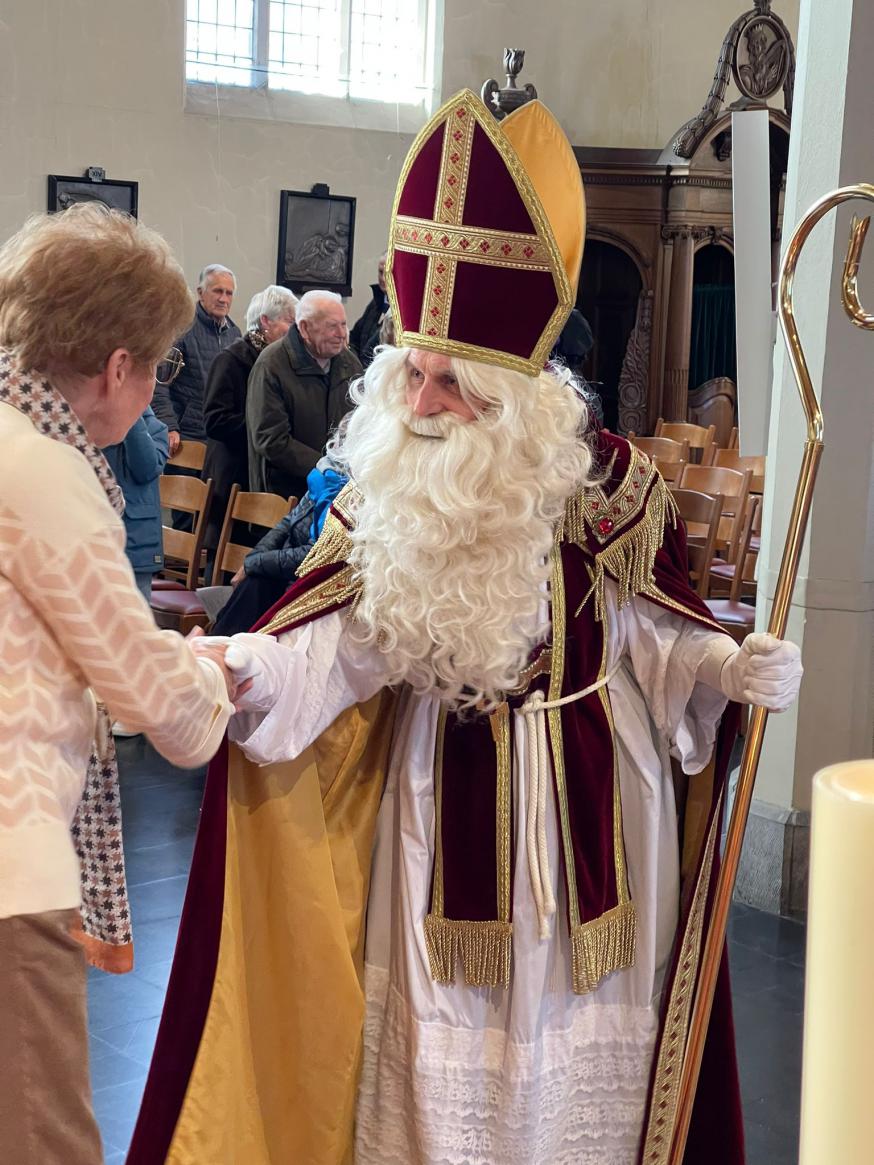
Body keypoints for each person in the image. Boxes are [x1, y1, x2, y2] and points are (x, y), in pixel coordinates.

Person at [128, 93, 802, 1165]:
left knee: (589, 1063)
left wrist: (723, 660)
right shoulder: (385, 496)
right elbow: (333, 650)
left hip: (601, 814)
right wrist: (239, 665)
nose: (426, 402)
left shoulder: (603, 484)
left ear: (513, 392)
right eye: (415, 375)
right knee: (444, 1067)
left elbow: (650, 638)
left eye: (452, 381)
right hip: (437, 806)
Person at [0, 204, 241, 1165]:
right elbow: (169, 716)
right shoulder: (47, 476)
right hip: (10, 878)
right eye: (158, 367)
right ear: (117, 367)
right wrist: (210, 668)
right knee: (45, 1141)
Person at [201, 285, 299, 554]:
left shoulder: (282, 364)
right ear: (266, 321)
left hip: (261, 476)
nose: (296, 331)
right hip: (233, 475)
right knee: (224, 562)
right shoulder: (232, 360)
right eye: (290, 321)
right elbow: (215, 420)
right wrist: (261, 428)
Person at [212, 444, 349, 635]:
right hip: (288, 574)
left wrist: (254, 563)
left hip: (316, 587)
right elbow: (289, 521)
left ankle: (218, 647)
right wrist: (254, 560)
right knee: (256, 582)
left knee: (257, 584)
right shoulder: (325, 474)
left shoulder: (348, 493)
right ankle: (218, 645)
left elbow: (319, 554)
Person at [246, 289, 360, 501]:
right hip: (283, 494)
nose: (342, 334)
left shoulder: (349, 363)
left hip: (335, 491)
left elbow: (360, 421)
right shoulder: (271, 365)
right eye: (332, 326)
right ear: (305, 328)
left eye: (343, 324)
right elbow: (270, 439)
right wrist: (324, 467)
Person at [152, 262, 241, 450]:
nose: (223, 299)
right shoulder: (181, 327)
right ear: (200, 293)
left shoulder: (235, 334)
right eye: (218, 291)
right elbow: (159, 384)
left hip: (218, 440)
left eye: (229, 293)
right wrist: (168, 425)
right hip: (184, 437)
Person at [102, 405, 169, 602]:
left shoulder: (152, 426)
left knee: (133, 621)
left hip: (136, 547)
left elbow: (145, 468)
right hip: (94, 537)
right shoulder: (90, 418)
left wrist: (130, 413)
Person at [349, 254, 389, 366]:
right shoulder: (376, 302)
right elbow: (354, 339)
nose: (383, 278)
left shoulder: (406, 312)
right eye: (381, 272)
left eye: (388, 273)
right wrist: (355, 365)